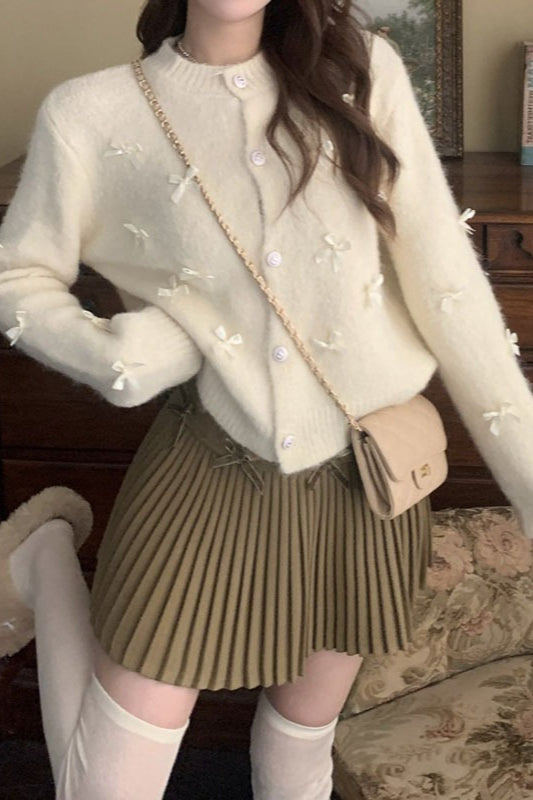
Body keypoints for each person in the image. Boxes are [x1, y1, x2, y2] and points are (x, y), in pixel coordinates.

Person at [1, 0, 532, 797]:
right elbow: (15, 275)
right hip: (208, 472)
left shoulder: (360, 70)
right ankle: (46, 560)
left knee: (299, 746)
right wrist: (114, 357)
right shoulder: (90, 113)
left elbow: (444, 280)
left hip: (364, 482)